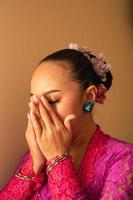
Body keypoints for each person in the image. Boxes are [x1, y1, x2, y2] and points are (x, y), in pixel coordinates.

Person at [0, 42, 133, 200]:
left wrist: (58, 159)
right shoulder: (36, 154)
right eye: (35, 102)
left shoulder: (123, 159)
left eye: (52, 100)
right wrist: (34, 165)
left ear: (89, 96)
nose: (40, 112)